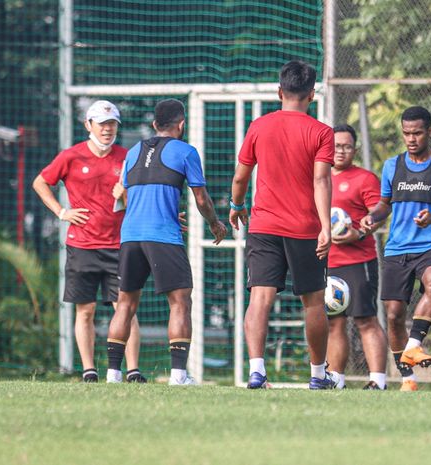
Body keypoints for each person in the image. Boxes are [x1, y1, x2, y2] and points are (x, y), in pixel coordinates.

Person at [229, 60, 337, 389]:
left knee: (260, 298)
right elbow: (321, 181)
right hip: (305, 229)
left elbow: (240, 176)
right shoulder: (321, 132)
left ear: (280, 91)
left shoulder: (259, 126)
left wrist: (236, 206)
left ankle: (256, 371)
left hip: (264, 226)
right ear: (312, 95)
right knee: (314, 302)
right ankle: (318, 376)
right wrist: (326, 227)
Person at [105, 98, 227, 385]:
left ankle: (112, 374)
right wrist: (214, 223)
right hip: (163, 236)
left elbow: (122, 194)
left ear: (153, 124)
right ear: (181, 124)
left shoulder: (133, 151)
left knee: (125, 304)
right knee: (180, 301)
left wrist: (154, 209)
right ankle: (178, 375)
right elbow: (201, 198)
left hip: (131, 236)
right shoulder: (186, 151)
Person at [33, 100, 146, 383]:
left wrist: (124, 195)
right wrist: (61, 212)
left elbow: (137, 203)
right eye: (102, 124)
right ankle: (89, 371)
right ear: (88, 125)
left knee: (125, 308)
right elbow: (40, 182)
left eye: (112, 124)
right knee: (86, 310)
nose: (108, 129)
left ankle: (131, 370)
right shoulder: (71, 156)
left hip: (120, 244)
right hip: (82, 245)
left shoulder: (128, 157)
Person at [360, 106, 431, 391]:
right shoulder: (393, 166)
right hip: (396, 248)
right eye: (406, 133)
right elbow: (384, 204)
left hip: (429, 245)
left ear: (430, 132)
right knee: (393, 315)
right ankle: (407, 378)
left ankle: (415, 344)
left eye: (417, 133)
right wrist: (373, 217)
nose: (411, 139)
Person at [326, 124, 388, 390]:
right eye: (336, 145)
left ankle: (378, 381)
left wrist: (358, 233)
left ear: (355, 149)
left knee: (365, 320)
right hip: (327, 263)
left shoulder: (365, 179)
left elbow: (378, 212)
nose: (340, 151)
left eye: (346, 146)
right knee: (334, 322)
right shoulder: (319, 178)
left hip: (358, 262)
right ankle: (336, 379)